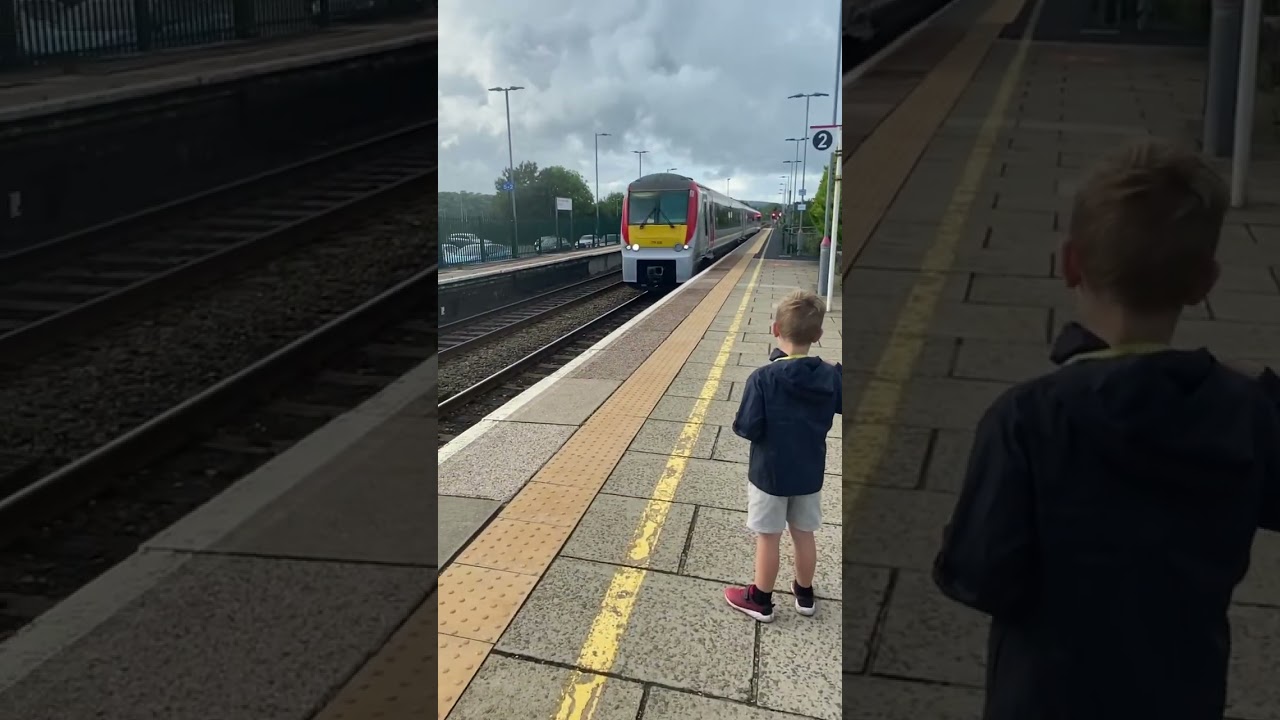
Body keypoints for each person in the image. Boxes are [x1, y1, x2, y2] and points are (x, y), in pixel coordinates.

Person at [932, 139, 1280, 720]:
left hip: (1044, 697)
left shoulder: (1026, 418)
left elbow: (977, 575)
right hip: (1182, 693)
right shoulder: (1244, 412)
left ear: (1071, 263)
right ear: (1205, 282)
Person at [724, 289, 842, 622]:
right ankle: (804, 595)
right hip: (809, 473)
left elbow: (747, 427)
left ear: (776, 330)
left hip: (769, 475)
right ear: (818, 335)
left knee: (769, 537)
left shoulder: (763, 378)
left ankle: (760, 599)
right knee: (804, 533)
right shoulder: (830, 377)